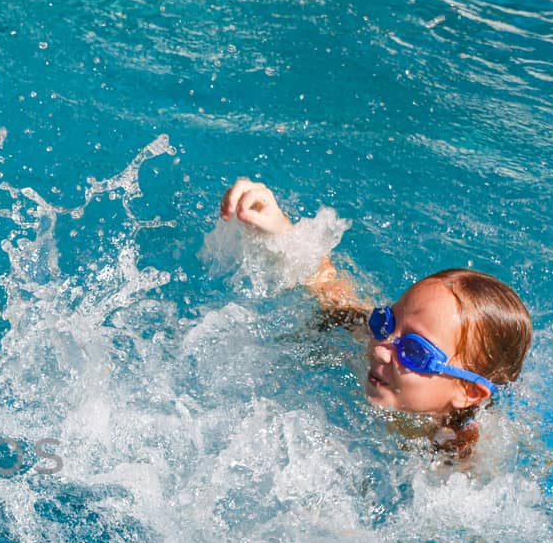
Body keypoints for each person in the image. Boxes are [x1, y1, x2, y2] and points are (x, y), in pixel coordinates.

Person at [219, 178, 532, 454]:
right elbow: (330, 290)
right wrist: (279, 232)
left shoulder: (462, 461)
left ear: (468, 391)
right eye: (386, 321)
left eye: (414, 351)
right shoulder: (377, 339)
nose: (380, 348)